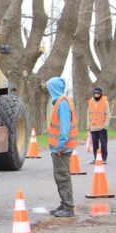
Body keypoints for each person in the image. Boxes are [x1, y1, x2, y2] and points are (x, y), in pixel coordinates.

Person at [47, 77, 79, 217]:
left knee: (62, 177)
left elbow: (64, 128)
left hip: (61, 149)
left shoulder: (62, 104)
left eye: (49, 88)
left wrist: (60, 146)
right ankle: (64, 203)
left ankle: (68, 207)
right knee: (60, 177)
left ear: (53, 89)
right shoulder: (61, 102)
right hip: (60, 148)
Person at [87, 87, 110, 164]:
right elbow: (88, 115)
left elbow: (108, 115)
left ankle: (103, 158)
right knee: (95, 145)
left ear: (100, 94)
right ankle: (96, 158)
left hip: (102, 128)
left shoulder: (105, 102)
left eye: (98, 94)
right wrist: (88, 127)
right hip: (93, 128)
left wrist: (105, 126)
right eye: (95, 94)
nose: (96, 95)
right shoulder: (90, 102)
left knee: (103, 144)